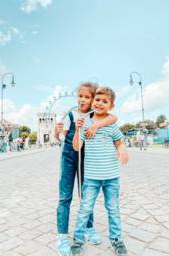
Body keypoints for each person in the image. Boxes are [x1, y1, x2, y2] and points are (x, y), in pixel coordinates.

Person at [55, 82, 118, 256]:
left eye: (87, 97)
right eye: (80, 96)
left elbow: (113, 118)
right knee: (65, 196)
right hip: (68, 157)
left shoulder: (94, 116)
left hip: (87, 159)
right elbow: (59, 136)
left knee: (86, 196)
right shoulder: (70, 114)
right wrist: (56, 130)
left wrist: (96, 125)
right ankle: (61, 235)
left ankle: (88, 228)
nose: (82, 99)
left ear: (93, 100)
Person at [71, 86, 129, 256]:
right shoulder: (85, 122)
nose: (100, 103)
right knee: (85, 208)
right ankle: (78, 239)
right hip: (91, 176)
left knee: (113, 208)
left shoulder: (111, 125)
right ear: (93, 101)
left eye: (105, 101)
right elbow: (77, 146)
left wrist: (122, 148)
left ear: (111, 106)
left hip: (112, 176)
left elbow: (119, 142)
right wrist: (77, 129)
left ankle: (116, 239)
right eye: (97, 100)